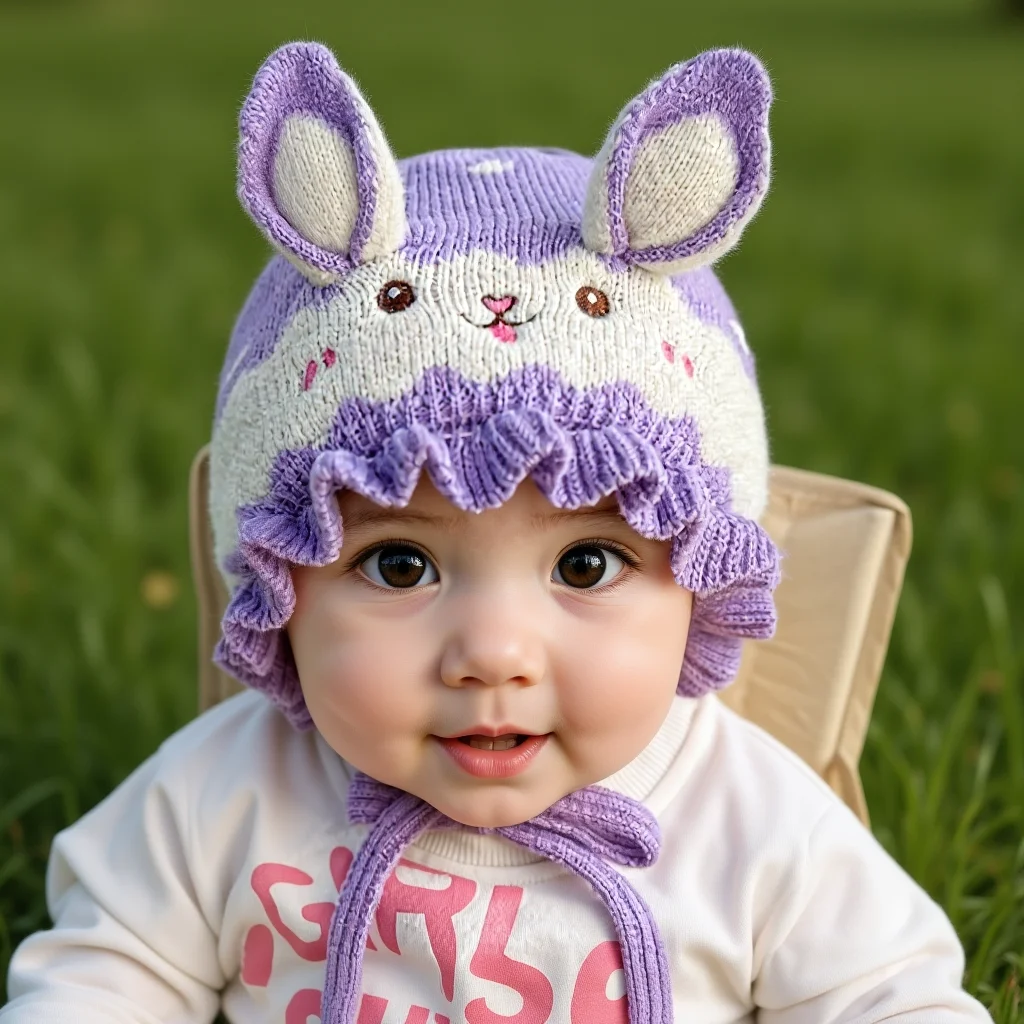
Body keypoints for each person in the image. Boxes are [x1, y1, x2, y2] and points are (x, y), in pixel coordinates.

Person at [2, 41, 992, 1023]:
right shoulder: (224, 797)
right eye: (397, 563)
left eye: (586, 562)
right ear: (277, 588)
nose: (493, 654)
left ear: (699, 583)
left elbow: (892, 998)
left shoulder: (750, 822)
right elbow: (104, 969)